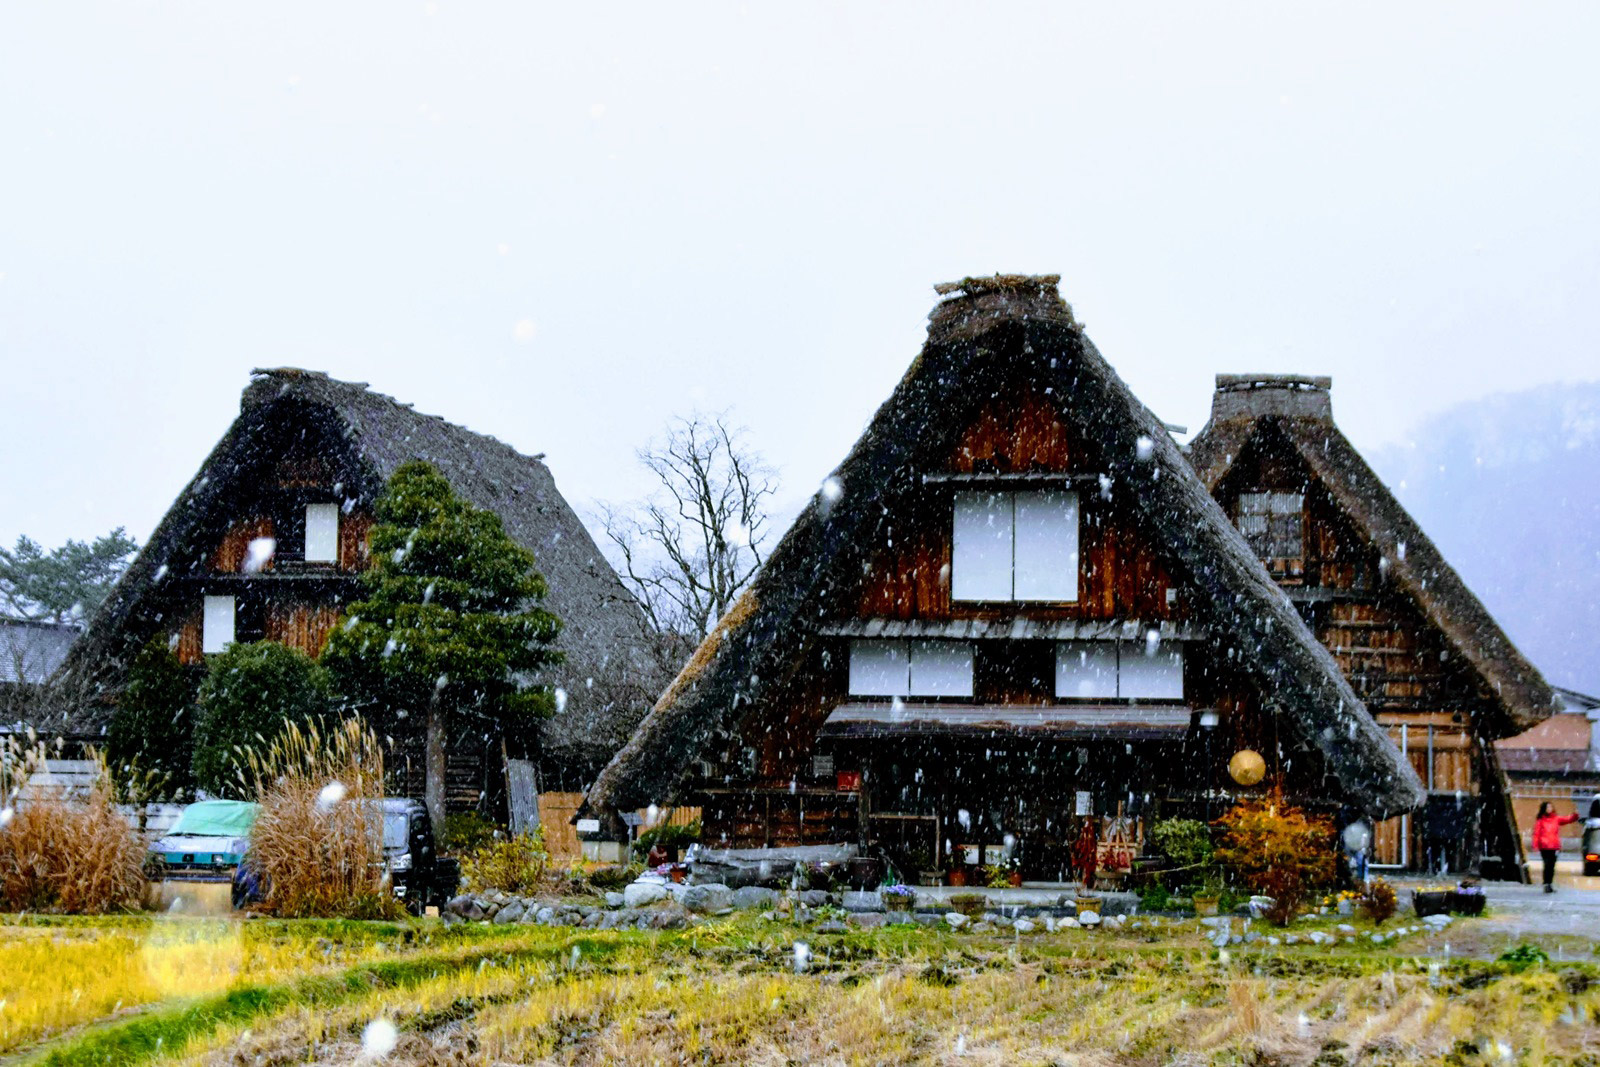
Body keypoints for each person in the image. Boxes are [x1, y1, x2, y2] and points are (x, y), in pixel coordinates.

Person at [1532, 801, 1580, 893]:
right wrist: (1536, 845)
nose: (1550, 809)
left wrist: (1575, 815)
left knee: (1551, 865)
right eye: (1548, 807)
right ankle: (1546, 883)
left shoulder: (1556, 819)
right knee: (1547, 865)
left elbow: (1567, 819)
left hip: (1554, 846)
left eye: (1551, 807)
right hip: (1544, 846)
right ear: (1544, 809)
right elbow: (1536, 833)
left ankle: (1549, 883)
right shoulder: (1540, 821)